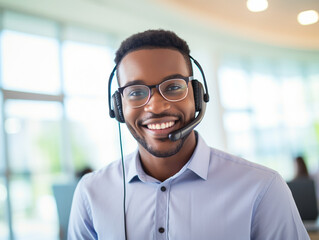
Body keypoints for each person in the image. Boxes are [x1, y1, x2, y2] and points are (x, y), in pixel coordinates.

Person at [68, 29, 309, 239]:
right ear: (118, 107)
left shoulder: (262, 188)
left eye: (173, 87)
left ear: (196, 94)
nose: (155, 106)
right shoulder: (91, 192)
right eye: (136, 92)